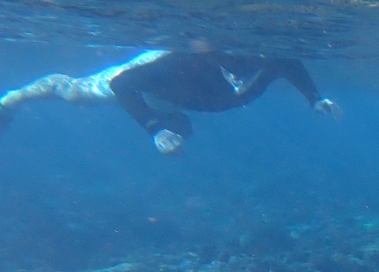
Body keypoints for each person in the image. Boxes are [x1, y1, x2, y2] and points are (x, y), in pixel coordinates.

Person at [0, 47, 340, 155]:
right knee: (75, 93)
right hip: (148, 78)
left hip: (175, 91)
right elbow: (121, 84)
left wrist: (315, 99)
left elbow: (285, 63)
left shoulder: (243, 77)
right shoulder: (176, 69)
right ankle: (12, 99)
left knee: (181, 132)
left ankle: (170, 124)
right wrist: (154, 129)